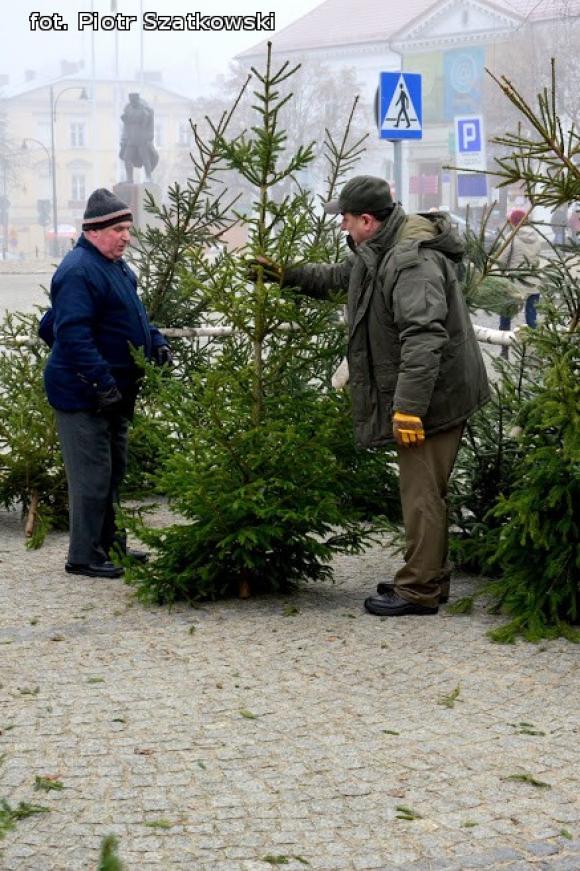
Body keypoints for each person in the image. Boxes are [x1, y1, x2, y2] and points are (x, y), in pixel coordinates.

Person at [255, 176, 490, 616]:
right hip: (429, 391)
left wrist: (409, 409)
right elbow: (339, 278)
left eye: (345, 218)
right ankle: (430, 576)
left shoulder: (410, 261)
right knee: (426, 489)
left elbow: (423, 337)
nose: (341, 226)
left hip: (435, 396)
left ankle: (418, 590)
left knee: (421, 491)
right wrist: (286, 276)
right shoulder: (378, 249)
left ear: (366, 219)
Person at [39, 188, 171, 578]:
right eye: (118, 230)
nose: (126, 236)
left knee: (113, 471)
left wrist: (157, 342)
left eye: (128, 228)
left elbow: (136, 316)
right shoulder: (79, 271)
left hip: (115, 393)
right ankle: (83, 557)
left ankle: (111, 546)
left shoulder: (116, 267)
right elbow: (73, 335)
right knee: (92, 477)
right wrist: (101, 384)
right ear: (93, 231)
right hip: (83, 394)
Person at [497, 208, 542, 347]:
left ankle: (504, 344)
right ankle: (535, 347)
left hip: (514, 283)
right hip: (534, 283)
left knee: (506, 313)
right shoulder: (536, 237)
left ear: (513, 222)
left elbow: (501, 260)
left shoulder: (512, 237)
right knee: (532, 318)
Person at [119, 93, 159, 183]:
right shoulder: (128, 108)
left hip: (142, 138)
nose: (132, 102)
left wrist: (149, 137)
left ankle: (148, 177)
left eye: (133, 101)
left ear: (137, 100)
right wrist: (123, 138)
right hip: (131, 138)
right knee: (126, 158)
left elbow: (149, 125)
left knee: (145, 158)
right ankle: (129, 179)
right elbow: (126, 126)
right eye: (131, 101)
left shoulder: (144, 109)